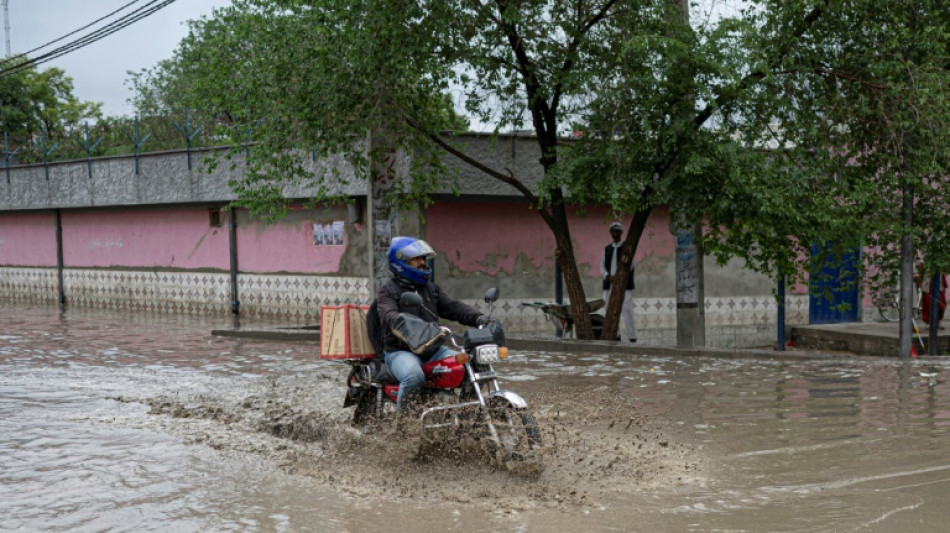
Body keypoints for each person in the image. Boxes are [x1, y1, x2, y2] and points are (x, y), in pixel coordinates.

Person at [376, 236, 488, 413]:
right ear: (400, 262)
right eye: (416, 259)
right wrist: (406, 324)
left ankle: (465, 416)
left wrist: (480, 318)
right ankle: (404, 423)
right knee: (413, 376)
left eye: (423, 258)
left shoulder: (431, 289)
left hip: (433, 350)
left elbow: (453, 308)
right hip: (400, 352)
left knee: (474, 364)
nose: (422, 262)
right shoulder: (387, 291)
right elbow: (389, 316)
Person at [600, 221, 637, 342]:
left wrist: (619, 276)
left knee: (627, 309)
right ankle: (616, 335)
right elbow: (602, 266)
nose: (615, 234)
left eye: (617, 232)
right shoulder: (607, 249)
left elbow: (631, 264)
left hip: (624, 285)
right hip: (609, 284)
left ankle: (632, 337)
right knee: (609, 308)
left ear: (621, 233)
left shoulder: (627, 247)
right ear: (610, 233)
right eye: (613, 232)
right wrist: (607, 276)